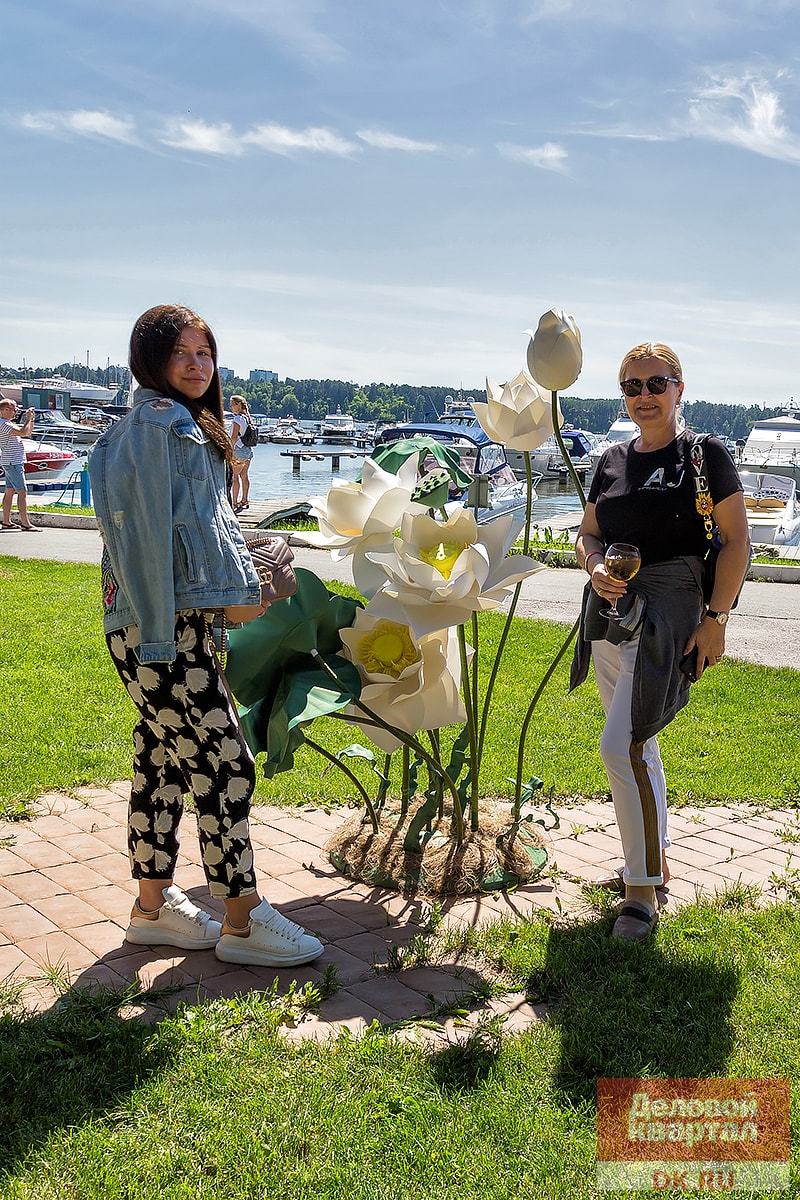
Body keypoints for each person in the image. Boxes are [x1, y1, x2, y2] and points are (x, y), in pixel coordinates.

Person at [89, 304, 323, 967]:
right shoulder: (165, 431)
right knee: (225, 761)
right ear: (151, 361)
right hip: (160, 629)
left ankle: (153, 907)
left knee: (162, 760)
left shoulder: (166, 427)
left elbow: (187, 537)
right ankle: (243, 921)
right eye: (181, 353)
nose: (197, 365)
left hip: (148, 623)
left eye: (206, 353)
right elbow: (142, 545)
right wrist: (170, 633)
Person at [571, 342, 750, 941]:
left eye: (656, 384)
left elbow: (735, 543)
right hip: (612, 612)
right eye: (633, 386)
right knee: (637, 745)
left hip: (669, 615)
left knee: (620, 747)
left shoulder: (704, 456)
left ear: (679, 388)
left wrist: (717, 619)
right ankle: (656, 856)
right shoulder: (611, 459)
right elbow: (588, 532)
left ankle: (641, 890)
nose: (644, 396)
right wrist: (593, 565)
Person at [0, 397, 41, 531]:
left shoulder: (8, 423)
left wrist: (31, 419)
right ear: (5, 410)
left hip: (12, 461)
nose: (16, 412)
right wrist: (27, 419)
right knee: (22, 491)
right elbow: (23, 432)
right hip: (13, 462)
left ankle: (6, 521)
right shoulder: (4, 424)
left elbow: (27, 432)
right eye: (14, 409)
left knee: (9, 491)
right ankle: (25, 523)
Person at [229, 394, 254, 513]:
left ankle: (234, 502)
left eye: (232, 404)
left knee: (234, 477)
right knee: (244, 476)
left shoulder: (237, 419)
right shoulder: (248, 418)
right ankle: (245, 499)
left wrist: (229, 450)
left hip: (238, 451)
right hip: (247, 451)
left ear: (238, 405)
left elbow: (234, 437)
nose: (231, 407)